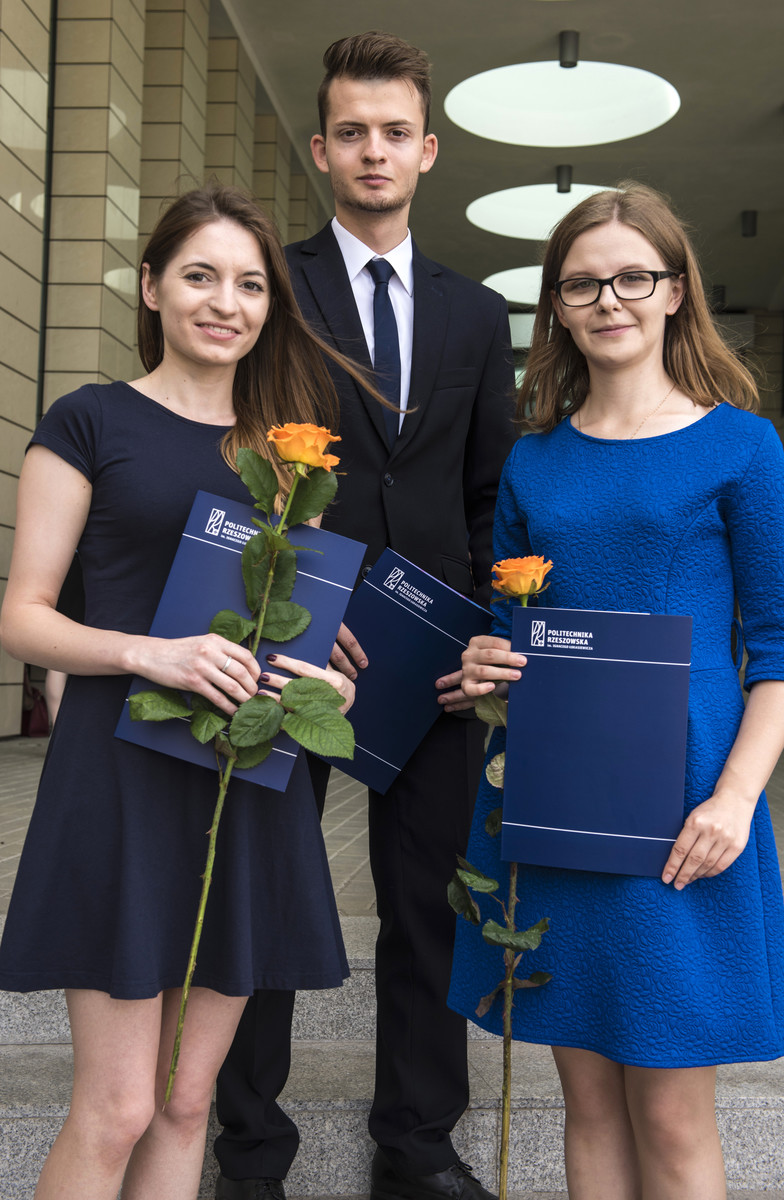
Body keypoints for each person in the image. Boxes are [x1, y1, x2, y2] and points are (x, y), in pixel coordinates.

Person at [0, 182, 377, 1200]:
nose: (226, 302)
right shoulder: (88, 420)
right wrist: (149, 654)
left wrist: (320, 686)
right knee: (118, 1106)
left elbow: (289, 627)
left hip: (241, 783)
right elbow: (23, 616)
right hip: (118, 776)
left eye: (250, 284)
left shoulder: (287, 455)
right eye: (201, 276)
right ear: (152, 286)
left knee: (184, 1103)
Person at [213, 31, 516, 1200]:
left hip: (433, 655)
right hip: (297, 639)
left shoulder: (474, 315)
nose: (373, 150)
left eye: (395, 132)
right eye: (352, 132)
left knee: (429, 903)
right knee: (263, 893)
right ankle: (251, 1149)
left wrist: (486, 630)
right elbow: (233, 459)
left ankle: (418, 1147)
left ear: (427, 150)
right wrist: (288, 606)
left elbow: (487, 490)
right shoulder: (268, 288)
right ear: (320, 148)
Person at [448, 182, 784, 1199]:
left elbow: (776, 648)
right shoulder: (534, 462)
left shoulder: (741, 446)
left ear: (675, 290)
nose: (608, 300)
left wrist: (735, 800)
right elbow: (513, 629)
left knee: (672, 1118)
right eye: (582, 284)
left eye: (632, 278)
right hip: (558, 801)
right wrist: (485, 663)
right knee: (586, 1104)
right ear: (555, 305)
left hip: (686, 807)